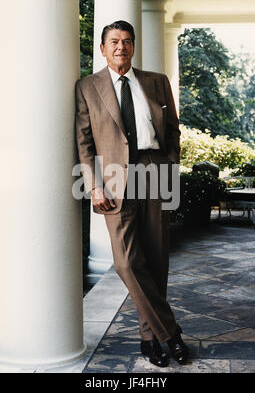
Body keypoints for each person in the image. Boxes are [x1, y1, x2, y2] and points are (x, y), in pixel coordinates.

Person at [75, 20, 189, 367]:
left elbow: (173, 130)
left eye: (126, 41)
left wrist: (169, 163)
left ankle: (149, 340)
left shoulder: (157, 81)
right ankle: (171, 333)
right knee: (126, 262)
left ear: (133, 47)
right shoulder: (87, 87)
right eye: (114, 42)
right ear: (103, 48)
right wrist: (93, 184)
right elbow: (83, 141)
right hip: (112, 180)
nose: (120, 47)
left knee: (155, 262)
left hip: (155, 172)